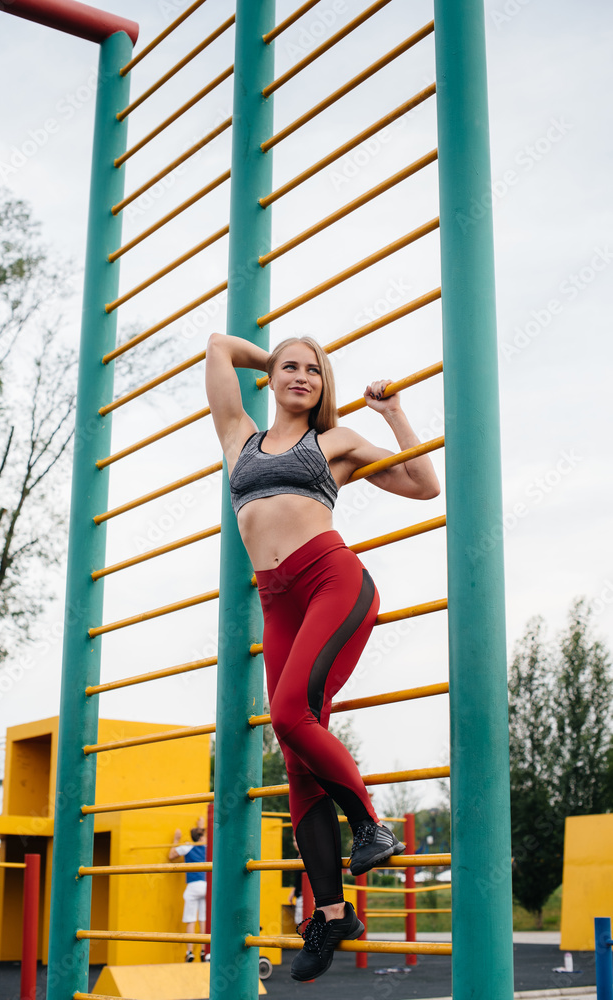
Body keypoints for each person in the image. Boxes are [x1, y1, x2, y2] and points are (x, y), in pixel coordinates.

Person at [205, 332, 440, 981]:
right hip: (276, 601)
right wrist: (275, 355)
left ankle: (371, 825)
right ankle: (333, 913)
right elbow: (219, 347)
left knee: (287, 716)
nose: (301, 376)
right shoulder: (239, 438)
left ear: (324, 384)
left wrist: (390, 412)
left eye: (314, 370)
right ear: (272, 378)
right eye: (290, 367)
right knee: (298, 757)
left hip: (331, 581)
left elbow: (425, 484)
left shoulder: (333, 443)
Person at [169, 820, 208, 963]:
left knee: (191, 919)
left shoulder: (188, 846)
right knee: (203, 919)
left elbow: (171, 855)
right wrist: (201, 824)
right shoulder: (207, 847)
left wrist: (176, 839)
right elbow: (203, 835)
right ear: (202, 836)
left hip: (193, 886)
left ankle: (190, 952)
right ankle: (204, 951)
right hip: (206, 886)